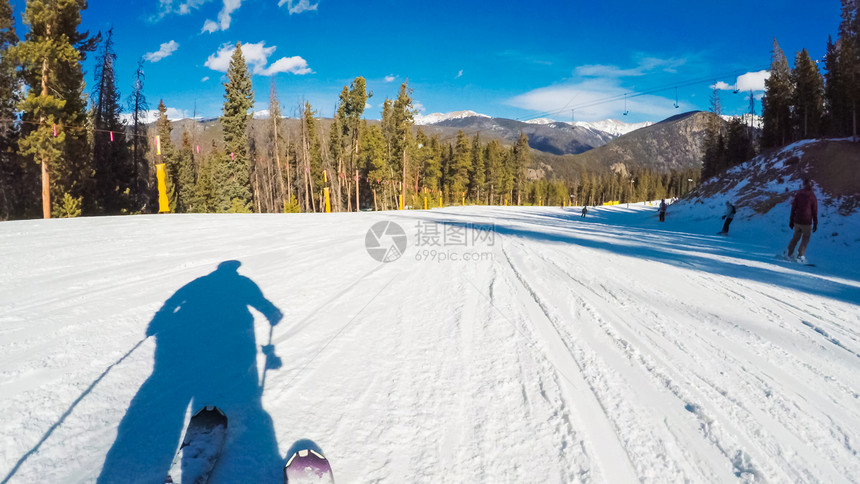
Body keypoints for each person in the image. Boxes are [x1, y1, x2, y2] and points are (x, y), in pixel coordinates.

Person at [784, 178, 818, 263]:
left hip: (797, 221)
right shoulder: (812, 196)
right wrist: (815, 223)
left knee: (795, 238)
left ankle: (788, 253)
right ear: (811, 186)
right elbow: (814, 211)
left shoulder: (798, 194)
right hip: (806, 222)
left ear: (804, 185)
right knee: (805, 238)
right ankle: (800, 255)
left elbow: (793, 208)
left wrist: (791, 220)